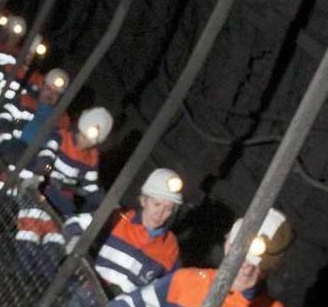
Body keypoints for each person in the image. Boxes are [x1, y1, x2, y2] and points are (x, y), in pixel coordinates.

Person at [109, 208, 293, 307]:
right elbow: (130, 303)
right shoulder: (188, 280)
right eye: (240, 255)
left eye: (256, 263)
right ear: (228, 243)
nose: (246, 267)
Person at [64, 168, 184, 297]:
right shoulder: (118, 218)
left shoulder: (170, 247)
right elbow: (74, 223)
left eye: (168, 209)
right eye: (156, 204)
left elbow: (171, 288)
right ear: (143, 201)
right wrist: (76, 244)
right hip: (86, 294)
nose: (160, 213)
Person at [42, 107, 112, 216]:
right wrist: (43, 169)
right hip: (42, 187)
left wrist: (109, 203)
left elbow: (89, 187)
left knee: (70, 221)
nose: (87, 142)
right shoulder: (61, 136)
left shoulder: (91, 158)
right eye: (85, 136)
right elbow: (45, 155)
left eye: (93, 140)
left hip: (63, 199)